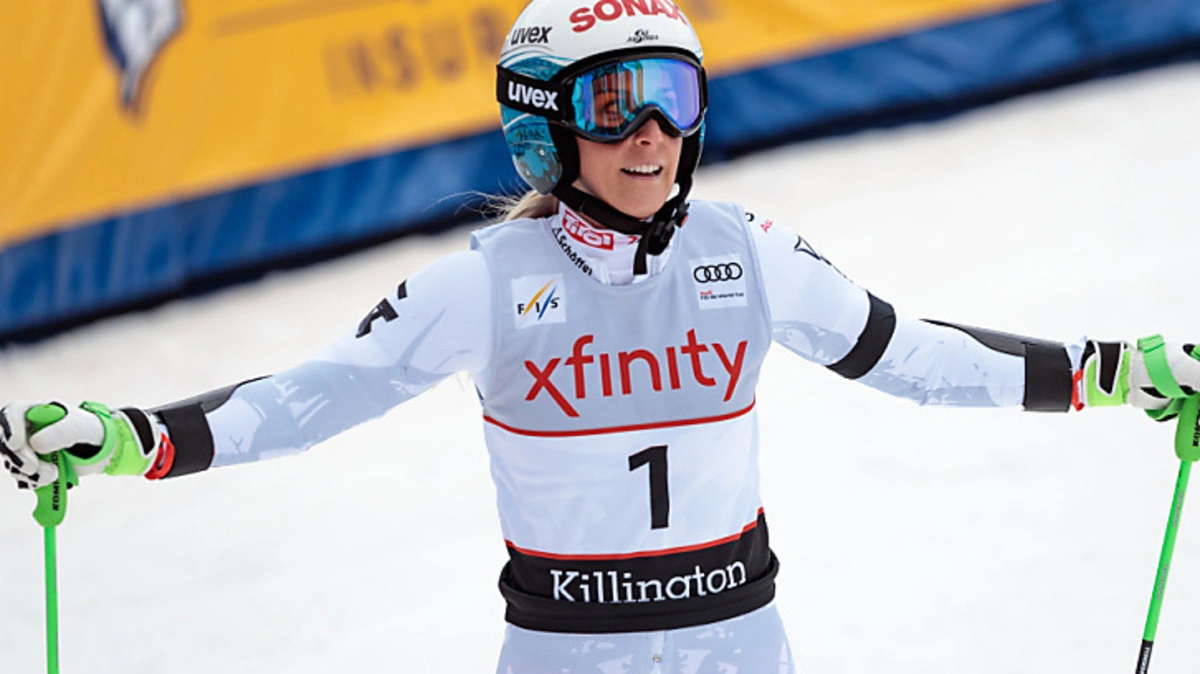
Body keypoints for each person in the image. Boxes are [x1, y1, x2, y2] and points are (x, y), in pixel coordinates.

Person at [4, 0, 1199, 671]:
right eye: (615, 106)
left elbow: (918, 359)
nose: (651, 135)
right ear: (545, 129)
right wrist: (136, 437)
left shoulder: (747, 250)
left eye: (673, 99)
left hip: (740, 646)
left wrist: (1116, 372)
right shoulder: (485, 284)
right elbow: (307, 401)